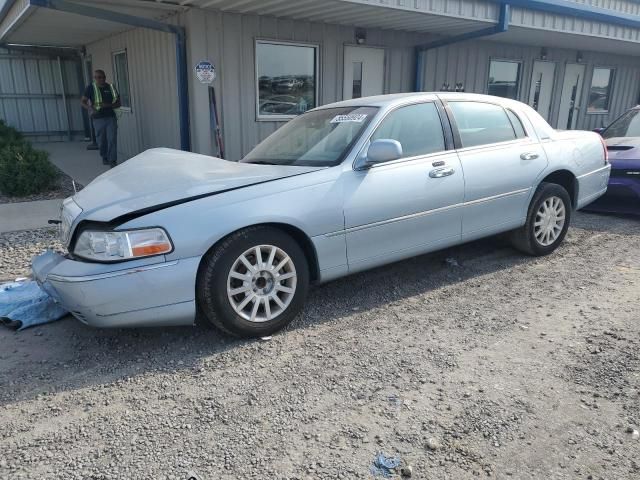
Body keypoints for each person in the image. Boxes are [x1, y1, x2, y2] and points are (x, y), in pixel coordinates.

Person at [81, 70, 120, 167]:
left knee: (112, 139)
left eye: (103, 77)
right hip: (98, 118)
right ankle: (104, 156)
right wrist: (90, 109)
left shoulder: (110, 87)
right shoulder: (90, 88)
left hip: (110, 117)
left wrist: (108, 105)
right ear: (95, 78)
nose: (101, 79)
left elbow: (119, 103)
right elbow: (83, 102)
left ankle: (112, 160)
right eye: (99, 77)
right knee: (101, 141)